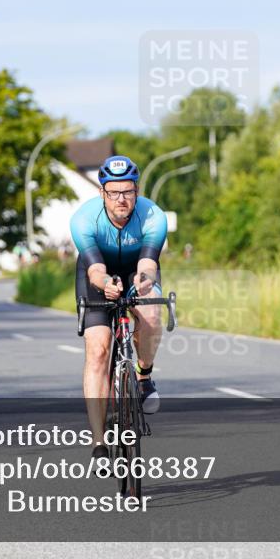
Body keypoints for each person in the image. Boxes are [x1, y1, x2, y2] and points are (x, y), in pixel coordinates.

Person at [70, 155, 168, 464]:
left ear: (137, 190)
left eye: (128, 191)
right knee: (98, 349)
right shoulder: (84, 220)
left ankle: (144, 376)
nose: (121, 199)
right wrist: (104, 284)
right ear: (102, 193)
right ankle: (99, 442)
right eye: (114, 192)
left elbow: (149, 262)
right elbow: (94, 269)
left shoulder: (153, 215)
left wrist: (144, 280)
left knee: (151, 313)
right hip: (98, 274)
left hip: (137, 270)